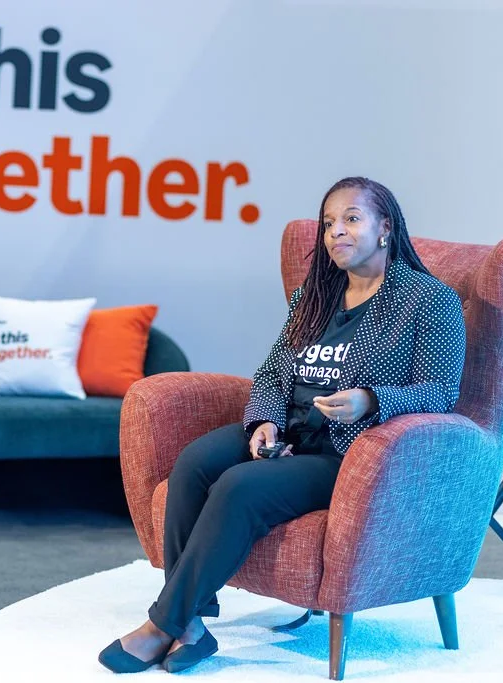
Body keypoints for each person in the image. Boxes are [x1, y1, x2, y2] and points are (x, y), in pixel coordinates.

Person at [99, 176, 466, 674]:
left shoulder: (427, 301)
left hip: (348, 453)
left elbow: (442, 392)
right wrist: (264, 422)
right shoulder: (314, 296)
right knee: (193, 465)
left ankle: (163, 624)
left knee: (237, 487)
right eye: (329, 223)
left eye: (352, 219)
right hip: (289, 431)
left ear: (386, 228)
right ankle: (191, 624)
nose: (337, 231)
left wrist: (372, 400)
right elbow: (274, 372)